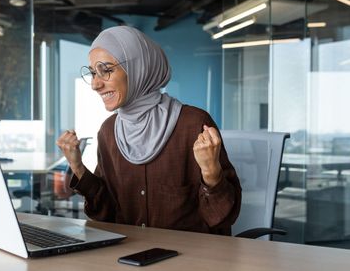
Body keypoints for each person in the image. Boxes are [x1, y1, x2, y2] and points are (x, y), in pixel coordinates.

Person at [56, 26, 241, 235]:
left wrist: (211, 172)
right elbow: (106, 214)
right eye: (92, 73)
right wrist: (77, 167)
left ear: (138, 68)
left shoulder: (193, 124)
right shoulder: (109, 131)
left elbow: (224, 218)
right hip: (129, 257)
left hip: (190, 259)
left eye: (106, 70)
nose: (95, 84)